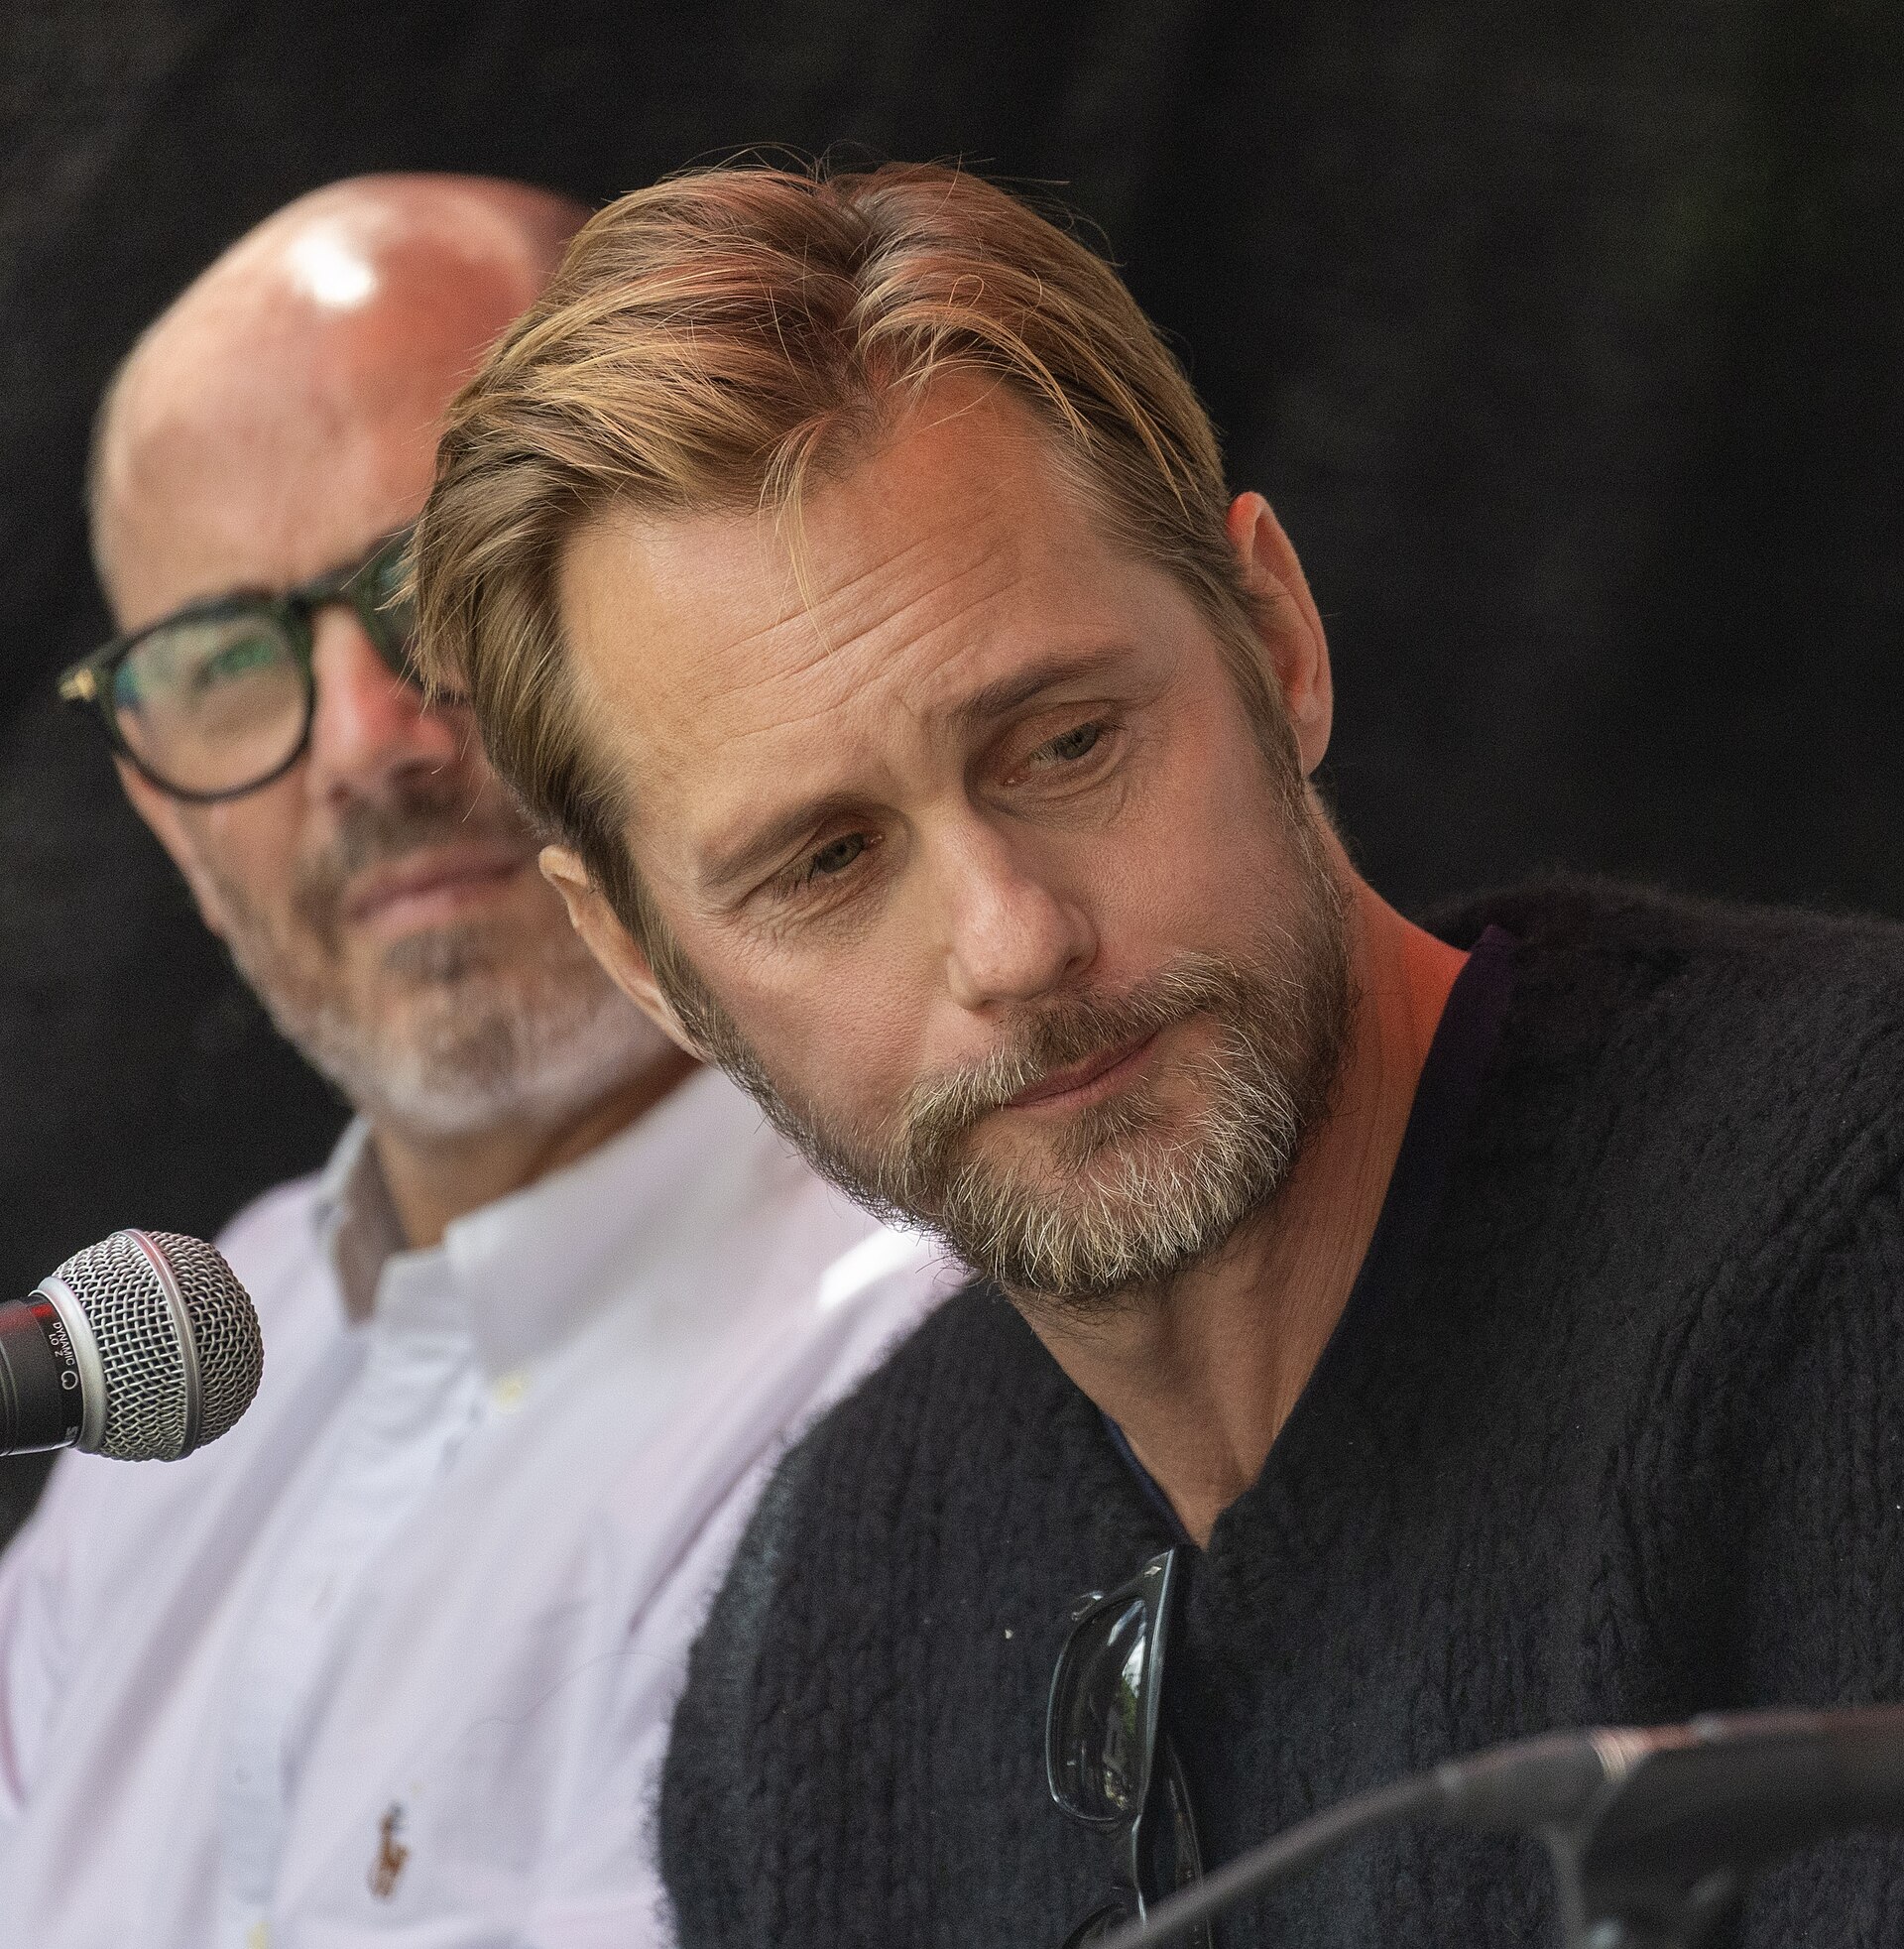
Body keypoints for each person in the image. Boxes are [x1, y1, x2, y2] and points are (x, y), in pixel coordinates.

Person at [414, 158, 1904, 1949]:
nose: (1015, 942)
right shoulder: (831, 1628)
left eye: (1063, 744)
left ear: (1275, 640)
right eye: (825, 863)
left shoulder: (1849, 1233)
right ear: (644, 962)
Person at [0, 174, 953, 1949]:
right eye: (220, 659)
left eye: (430, 579)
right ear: (155, 801)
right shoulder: (175, 1372)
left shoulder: (917, 1328)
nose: (366, 738)